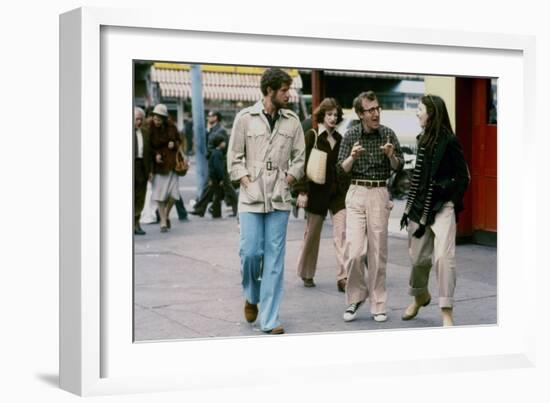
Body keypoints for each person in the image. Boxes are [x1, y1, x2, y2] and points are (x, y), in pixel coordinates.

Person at [227, 67, 305, 335]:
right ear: (269, 90)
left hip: (280, 198)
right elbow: (234, 158)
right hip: (251, 197)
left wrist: (290, 180)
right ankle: (251, 296)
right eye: (284, 90)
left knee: (274, 260)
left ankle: (270, 319)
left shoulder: (293, 121)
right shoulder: (245, 118)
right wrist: (246, 182)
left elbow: (300, 158)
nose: (289, 94)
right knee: (250, 253)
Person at [399, 94, 470, 327]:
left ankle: (446, 310)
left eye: (420, 109)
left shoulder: (450, 141)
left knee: (443, 258)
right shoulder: (422, 139)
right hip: (420, 208)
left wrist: (449, 198)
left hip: (443, 206)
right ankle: (420, 296)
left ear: (431, 113)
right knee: (418, 258)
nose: (417, 113)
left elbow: (463, 177)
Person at [337, 91, 404, 323]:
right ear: (360, 114)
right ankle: (355, 297)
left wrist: (391, 155)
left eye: (377, 109)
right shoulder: (351, 135)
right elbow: (341, 169)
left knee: (378, 253)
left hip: (378, 192)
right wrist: (352, 158)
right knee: (355, 252)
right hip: (356, 192)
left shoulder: (388, 134)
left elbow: (398, 166)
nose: (376, 114)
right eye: (370, 110)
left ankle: (379, 303)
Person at [293, 98, 349, 292]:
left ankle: (344, 277)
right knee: (312, 234)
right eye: (329, 114)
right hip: (316, 192)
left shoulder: (341, 140)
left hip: (337, 194)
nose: (333, 118)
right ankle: (307, 273)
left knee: (342, 234)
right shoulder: (312, 136)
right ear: (322, 116)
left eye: (335, 115)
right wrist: (302, 191)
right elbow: (301, 164)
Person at [147, 104, 181, 233]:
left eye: (159, 119)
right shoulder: (149, 128)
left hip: (172, 165)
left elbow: (179, 141)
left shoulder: (171, 127)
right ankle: (163, 221)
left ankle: (166, 214)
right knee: (160, 195)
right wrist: (155, 155)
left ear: (164, 118)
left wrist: (175, 143)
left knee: (174, 195)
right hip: (159, 167)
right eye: (155, 118)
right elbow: (148, 147)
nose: (156, 121)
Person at [134, 107, 150, 235]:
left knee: (140, 196)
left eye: (140, 119)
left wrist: (150, 171)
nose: (138, 122)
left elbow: (149, 152)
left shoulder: (145, 132)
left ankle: (136, 223)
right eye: (136, 119)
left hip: (142, 167)